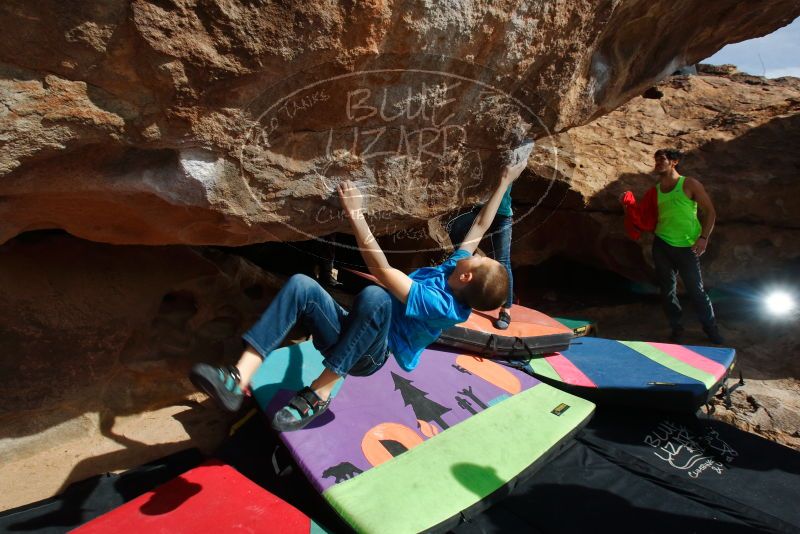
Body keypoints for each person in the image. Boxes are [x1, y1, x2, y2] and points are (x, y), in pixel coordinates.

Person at [189, 156, 525, 432]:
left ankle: (319, 393)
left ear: (466, 277)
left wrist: (356, 215)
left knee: (376, 297)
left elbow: (382, 273)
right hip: (350, 331)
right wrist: (506, 179)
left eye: (481, 259)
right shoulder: (453, 270)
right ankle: (238, 378)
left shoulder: (442, 305)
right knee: (301, 286)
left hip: (370, 356)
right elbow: (480, 224)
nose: (478, 252)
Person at [622, 149, 724, 345]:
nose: (658, 163)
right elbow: (643, 215)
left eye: (662, 160)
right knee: (667, 291)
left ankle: (711, 330)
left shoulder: (689, 184)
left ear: (674, 162)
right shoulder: (656, 190)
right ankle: (677, 329)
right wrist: (627, 205)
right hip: (662, 244)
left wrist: (703, 238)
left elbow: (710, 212)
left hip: (687, 246)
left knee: (696, 291)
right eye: (656, 160)